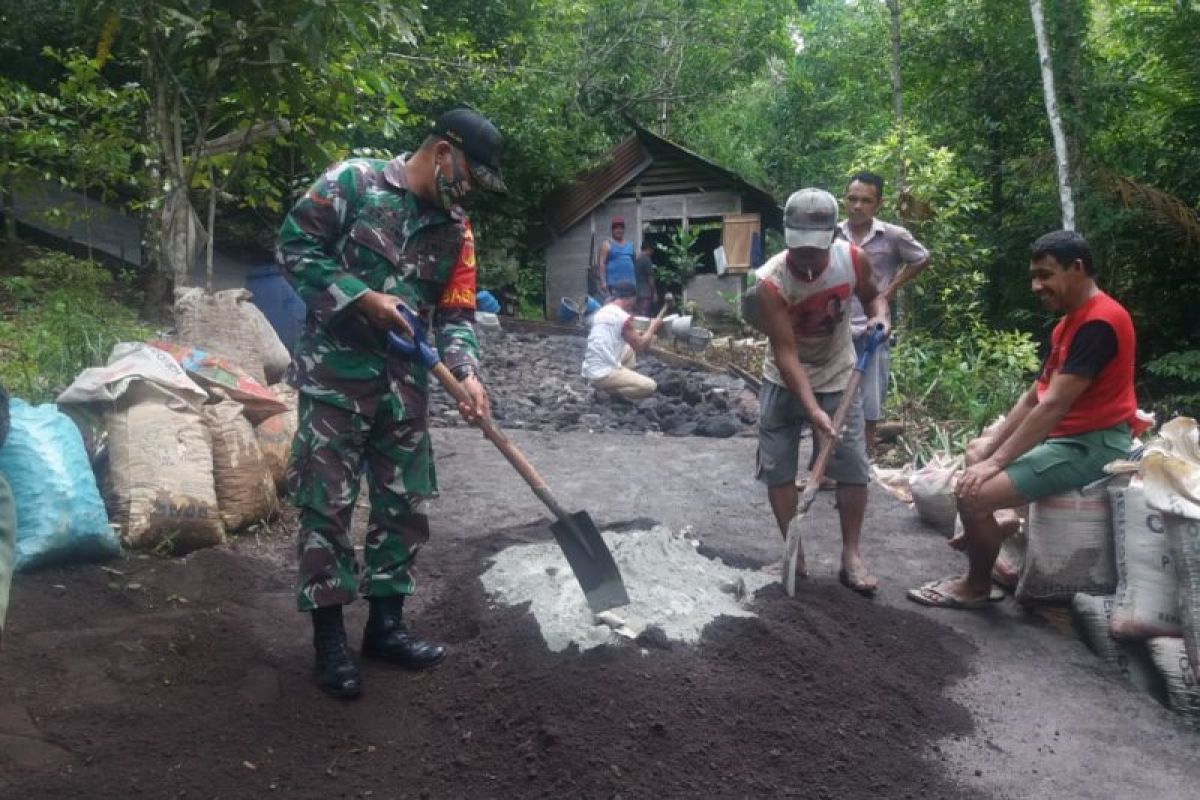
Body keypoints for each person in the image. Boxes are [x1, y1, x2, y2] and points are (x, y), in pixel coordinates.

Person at [277, 107, 507, 699]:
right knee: (326, 505)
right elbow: (294, 246)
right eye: (469, 175)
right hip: (336, 378)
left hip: (405, 386)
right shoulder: (352, 182)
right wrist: (360, 298)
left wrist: (467, 370)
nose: (469, 190)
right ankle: (329, 642)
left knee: (402, 504)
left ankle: (386, 627)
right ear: (441, 153)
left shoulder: (457, 229)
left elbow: (456, 311)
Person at [908, 230, 1136, 610]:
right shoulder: (1067, 324)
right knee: (976, 452)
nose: (1036, 285)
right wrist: (989, 447)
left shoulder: (1101, 322)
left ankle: (976, 586)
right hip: (1065, 435)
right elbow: (1034, 396)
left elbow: (1053, 407)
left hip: (1093, 443)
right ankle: (998, 526)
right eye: (1034, 276)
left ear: (1076, 268)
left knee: (973, 493)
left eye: (1045, 275)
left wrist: (995, 463)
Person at [751, 188, 889, 594]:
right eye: (799, 250)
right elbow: (786, 351)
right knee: (777, 468)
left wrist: (880, 317)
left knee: (851, 467)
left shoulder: (852, 260)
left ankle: (851, 556)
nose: (807, 260)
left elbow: (874, 297)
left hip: (839, 372)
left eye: (815, 250)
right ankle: (795, 555)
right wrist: (811, 409)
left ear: (833, 236)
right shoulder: (770, 282)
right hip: (783, 378)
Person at [838, 171, 930, 449]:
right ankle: (830, 461)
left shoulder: (892, 235)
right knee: (833, 394)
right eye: (852, 199)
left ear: (878, 203)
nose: (857, 206)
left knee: (870, 399)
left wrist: (890, 289)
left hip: (873, 328)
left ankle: (861, 462)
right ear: (844, 200)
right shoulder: (833, 235)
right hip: (836, 328)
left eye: (866, 200)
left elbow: (922, 258)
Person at [581, 282, 664, 401]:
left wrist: (638, 334)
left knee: (629, 350)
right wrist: (652, 327)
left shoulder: (603, 311)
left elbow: (624, 336)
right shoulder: (623, 317)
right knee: (650, 386)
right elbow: (640, 345)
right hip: (601, 373)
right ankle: (610, 392)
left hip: (590, 367)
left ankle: (611, 383)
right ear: (631, 298)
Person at [595, 217, 635, 298]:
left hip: (630, 283)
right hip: (614, 283)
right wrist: (603, 282)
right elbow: (601, 264)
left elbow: (634, 262)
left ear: (624, 230)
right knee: (616, 304)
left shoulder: (630, 245)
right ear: (612, 230)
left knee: (629, 306)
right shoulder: (607, 244)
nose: (619, 230)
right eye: (616, 228)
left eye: (621, 228)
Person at [634, 240, 657, 315]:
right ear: (649, 249)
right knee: (644, 311)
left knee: (637, 312)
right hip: (645, 290)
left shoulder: (636, 259)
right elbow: (650, 277)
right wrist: (654, 292)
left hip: (635, 289)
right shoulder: (647, 260)